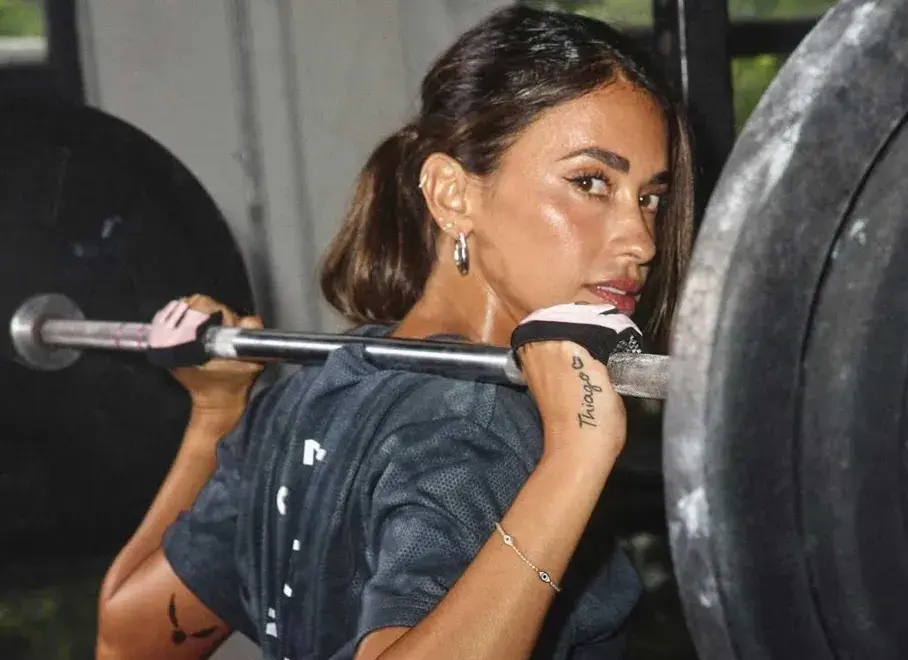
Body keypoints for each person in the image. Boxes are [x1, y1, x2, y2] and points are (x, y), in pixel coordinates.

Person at [95, 6, 693, 660]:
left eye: (650, 197)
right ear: (451, 195)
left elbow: (130, 639)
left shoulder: (304, 398)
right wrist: (572, 461)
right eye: (590, 182)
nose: (640, 241)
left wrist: (215, 410)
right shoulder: (482, 425)